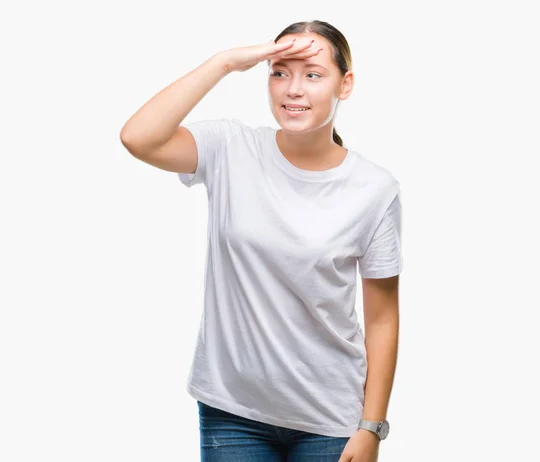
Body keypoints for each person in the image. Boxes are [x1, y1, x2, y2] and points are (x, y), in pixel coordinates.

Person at [120, 19, 401, 462]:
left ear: (344, 85)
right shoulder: (230, 148)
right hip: (232, 412)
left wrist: (372, 428)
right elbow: (138, 137)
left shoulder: (374, 189)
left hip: (330, 420)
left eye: (312, 75)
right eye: (279, 72)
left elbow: (382, 318)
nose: (293, 89)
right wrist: (225, 62)